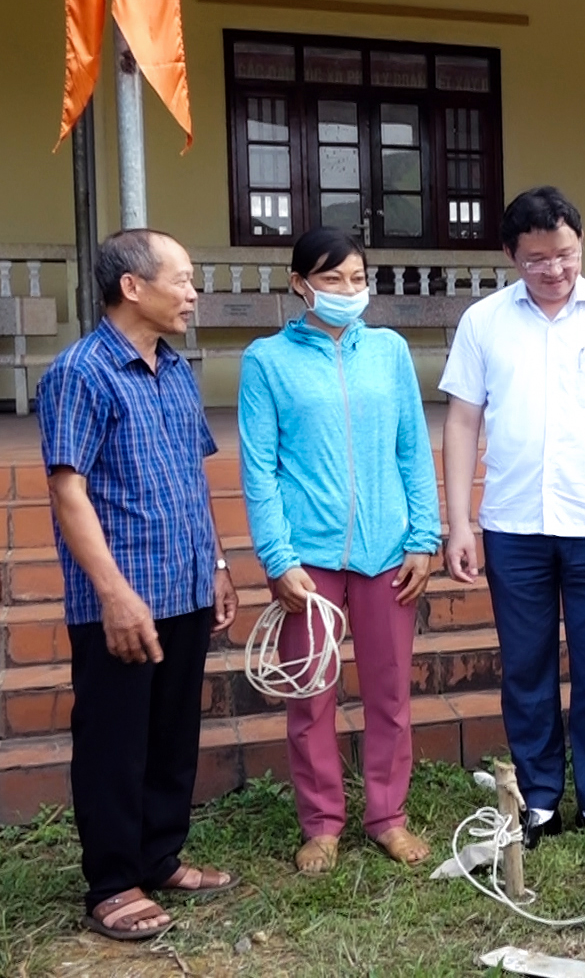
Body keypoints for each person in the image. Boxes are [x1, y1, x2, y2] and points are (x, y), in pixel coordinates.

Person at [440, 186, 585, 850]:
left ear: (581, 244)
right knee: (526, 664)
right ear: (512, 255)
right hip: (513, 523)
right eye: (537, 258)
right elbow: (463, 419)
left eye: (566, 254)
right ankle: (540, 801)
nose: (554, 269)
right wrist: (459, 521)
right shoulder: (485, 322)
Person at [37, 229, 240, 941]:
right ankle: (113, 880)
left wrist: (215, 563)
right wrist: (114, 593)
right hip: (121, 595)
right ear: (133, 286)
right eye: (182, 279)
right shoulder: (81, 371)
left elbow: (192, 474)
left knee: (170, 733)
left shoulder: (176, 368)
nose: (193, 293)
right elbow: (68, 492)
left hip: (183, 581)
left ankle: (159, 855)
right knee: (114, 739)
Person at [238, 227, 443, 874]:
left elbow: (413, 446)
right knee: (312, 697)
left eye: (358, 278)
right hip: (309, 561)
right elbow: (259, 468)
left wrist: (424, 537)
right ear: (300, 284)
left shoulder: (389, 351)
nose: (349, 291)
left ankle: (388, 815)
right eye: (333, 280)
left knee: (389, 695)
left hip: (389, 553)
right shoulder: (266, 361)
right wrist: (278, 558)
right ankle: (322, 822)